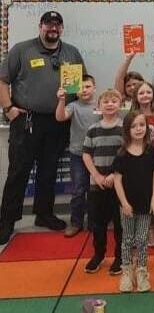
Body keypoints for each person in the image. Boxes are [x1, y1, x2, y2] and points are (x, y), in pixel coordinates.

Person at [0, 11, 86, 245]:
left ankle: (44, 214)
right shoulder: (22, 49)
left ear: (61, 28)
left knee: (49, 171)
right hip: (26, 120)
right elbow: (2, 79)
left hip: (57, 122)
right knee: (19, 172)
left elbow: (80, 85)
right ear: (40, 26)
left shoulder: (71, 52)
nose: (53, 28)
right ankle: (7, 221)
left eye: (57, 24)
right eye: (48, 24)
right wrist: (8, 109)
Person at [113, 111, 154, 292]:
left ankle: (141, 270)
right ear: (127, 130)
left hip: (145, 205)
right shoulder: (122, 154)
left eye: (141, 125)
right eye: (134, 126)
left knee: (141, 239)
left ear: (147, 128)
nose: (138, 129)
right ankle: (126, 271)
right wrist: (124, 203)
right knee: (127, 239)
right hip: (127, 206)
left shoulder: (151, 152)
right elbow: (117, 180)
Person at [82, 89, 123, 275]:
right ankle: (98, 254)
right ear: (99, 107)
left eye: (114, 100)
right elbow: (86, 155)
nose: (110, 104)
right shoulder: (93, 129)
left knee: (120, 223)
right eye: (106, 101)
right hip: (96, 185)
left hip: (119, 184)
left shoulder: (124, 128)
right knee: (98, 223)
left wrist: (114, 175)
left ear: (120, 105)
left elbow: (127, 155)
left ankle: (120, 256)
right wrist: (97, 176)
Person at [55, 74, 100, 237]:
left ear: (94, 87)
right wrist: (61, 99)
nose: (84, 90)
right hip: (78, 155)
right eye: (80, 87)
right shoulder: (73, 105)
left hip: (98, 156)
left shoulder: (101, 105)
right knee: (79, 190)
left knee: (96, 190)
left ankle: (95, 222)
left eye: (87, 86)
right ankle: (76, 222)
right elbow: (60, 117)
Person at [130, 81, 154, 247]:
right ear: (136, 97)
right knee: (139, 196)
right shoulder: (132, 116)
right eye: (141, 93)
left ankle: (152, 228)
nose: (145, 95)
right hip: (137, 164)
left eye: (149, 92)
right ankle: (138, 230)